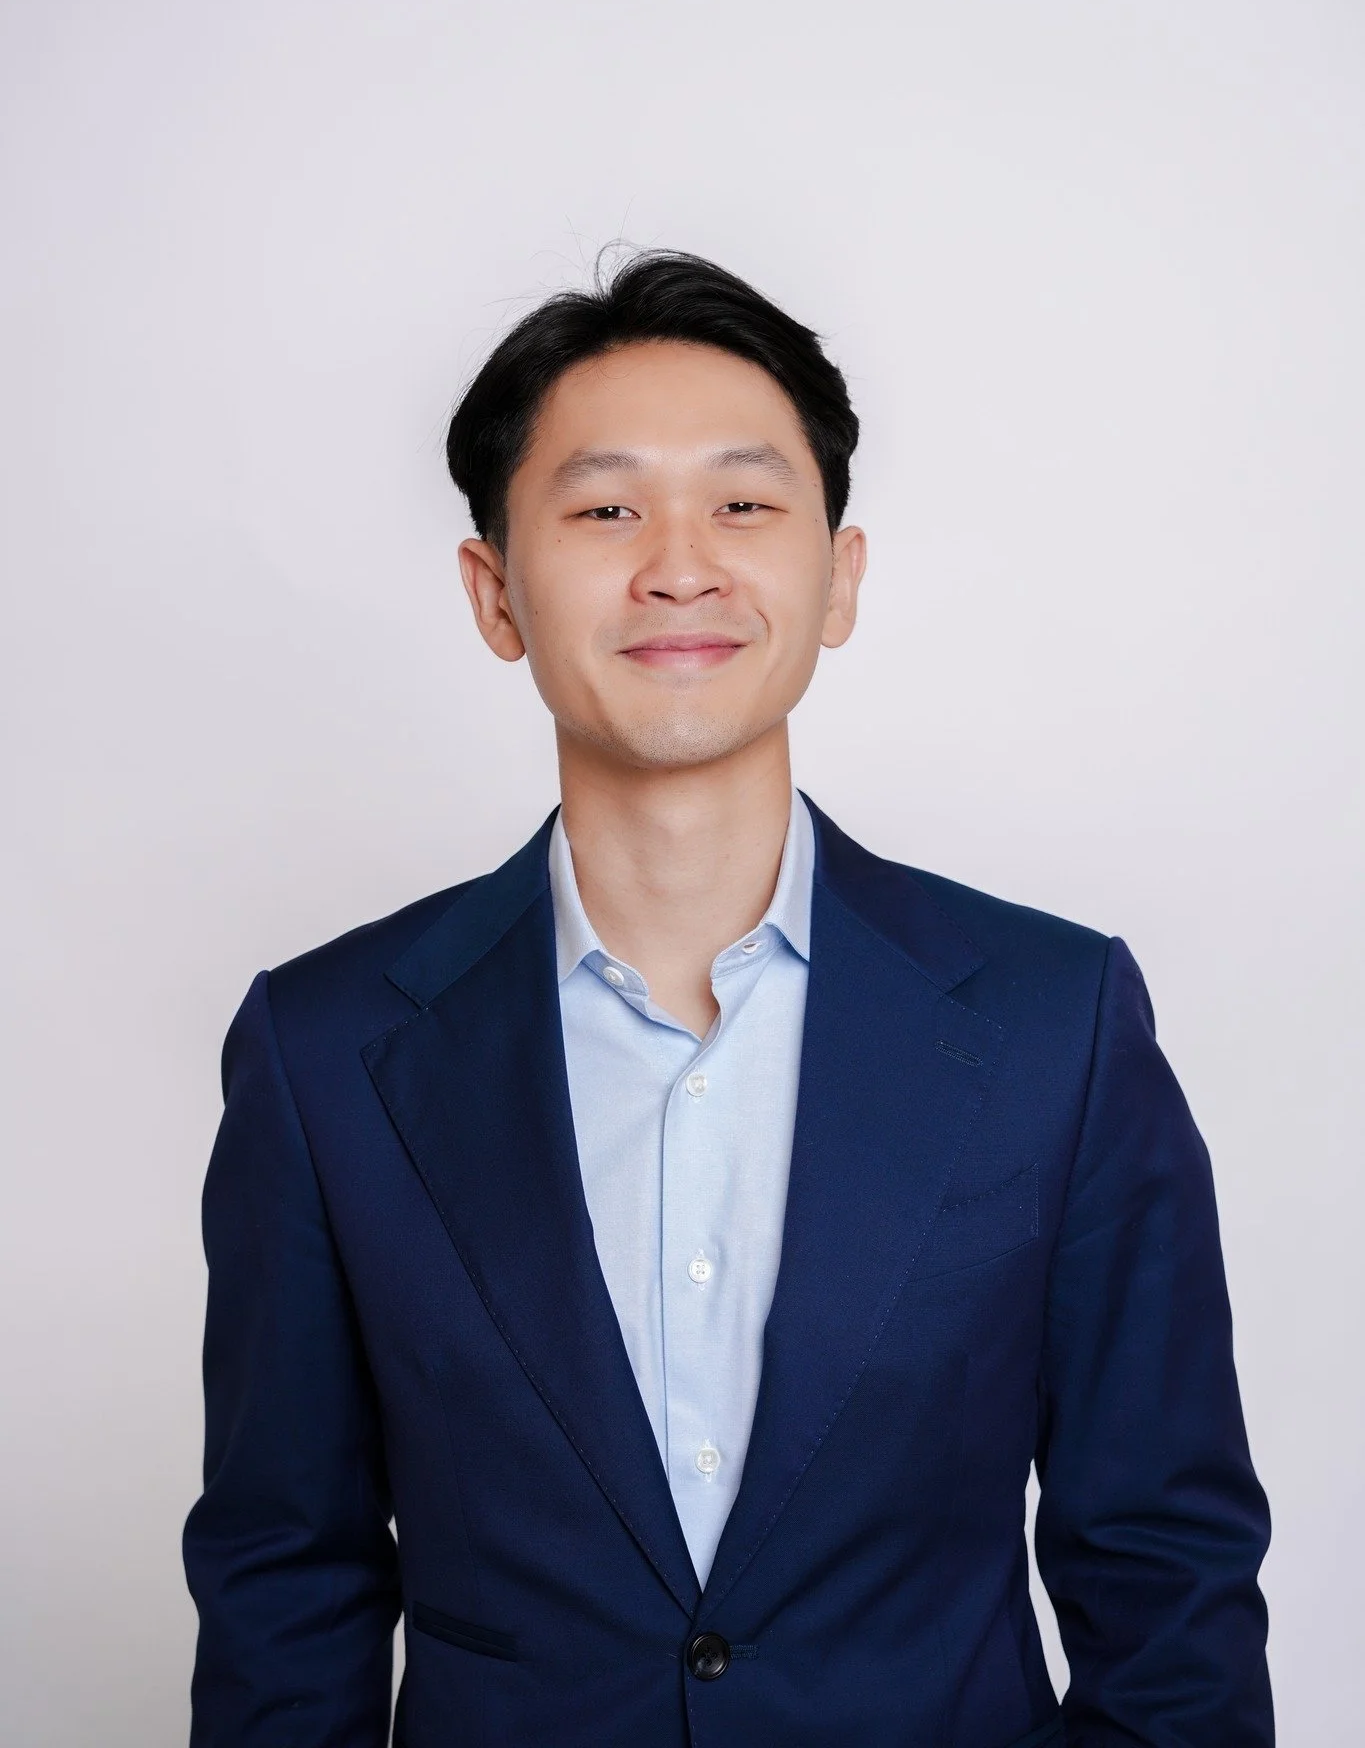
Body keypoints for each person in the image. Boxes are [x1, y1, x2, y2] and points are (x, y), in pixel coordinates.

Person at [183, 251, 1273, 1746]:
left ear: (839, 580)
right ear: (496, 592)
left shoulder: (1052, 1025)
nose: (678, 564)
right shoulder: (326, 1057)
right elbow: (283, 1586)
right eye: (606, 508)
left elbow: (1167, 1575)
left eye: (745, 505)